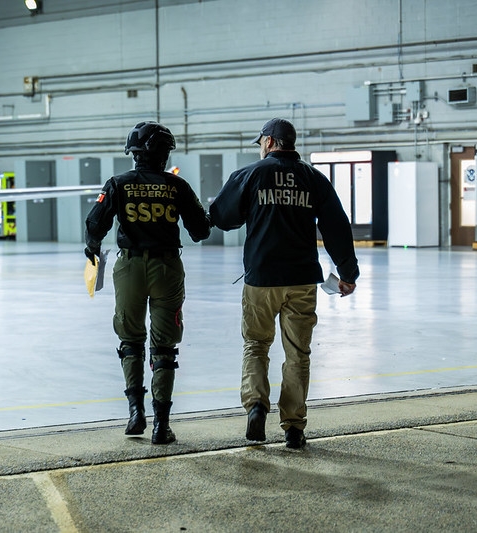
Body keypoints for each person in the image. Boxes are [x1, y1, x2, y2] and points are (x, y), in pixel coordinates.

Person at [207, 118, 359, 449]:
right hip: (302, 280)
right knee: (298, 354)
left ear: (271, 142)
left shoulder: (250, 175)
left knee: (256, 344)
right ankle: (293, 427)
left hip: (262, 279)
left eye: (261, 142)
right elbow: (336, 226)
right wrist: (348, 273)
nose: (260, 147)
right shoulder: (314, 178)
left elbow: (221, 217)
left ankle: (256, 407)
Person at [84, 121, 211, 444]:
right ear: (165, 154)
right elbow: (200, 231)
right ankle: (161, 426)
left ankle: (135, 413)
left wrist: (93, 250)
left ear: (134, 153)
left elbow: (95, 226)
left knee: (130, 339)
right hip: (167, 268)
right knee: (165, 345)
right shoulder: (177, 186)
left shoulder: (118, 184)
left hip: (129, 268)